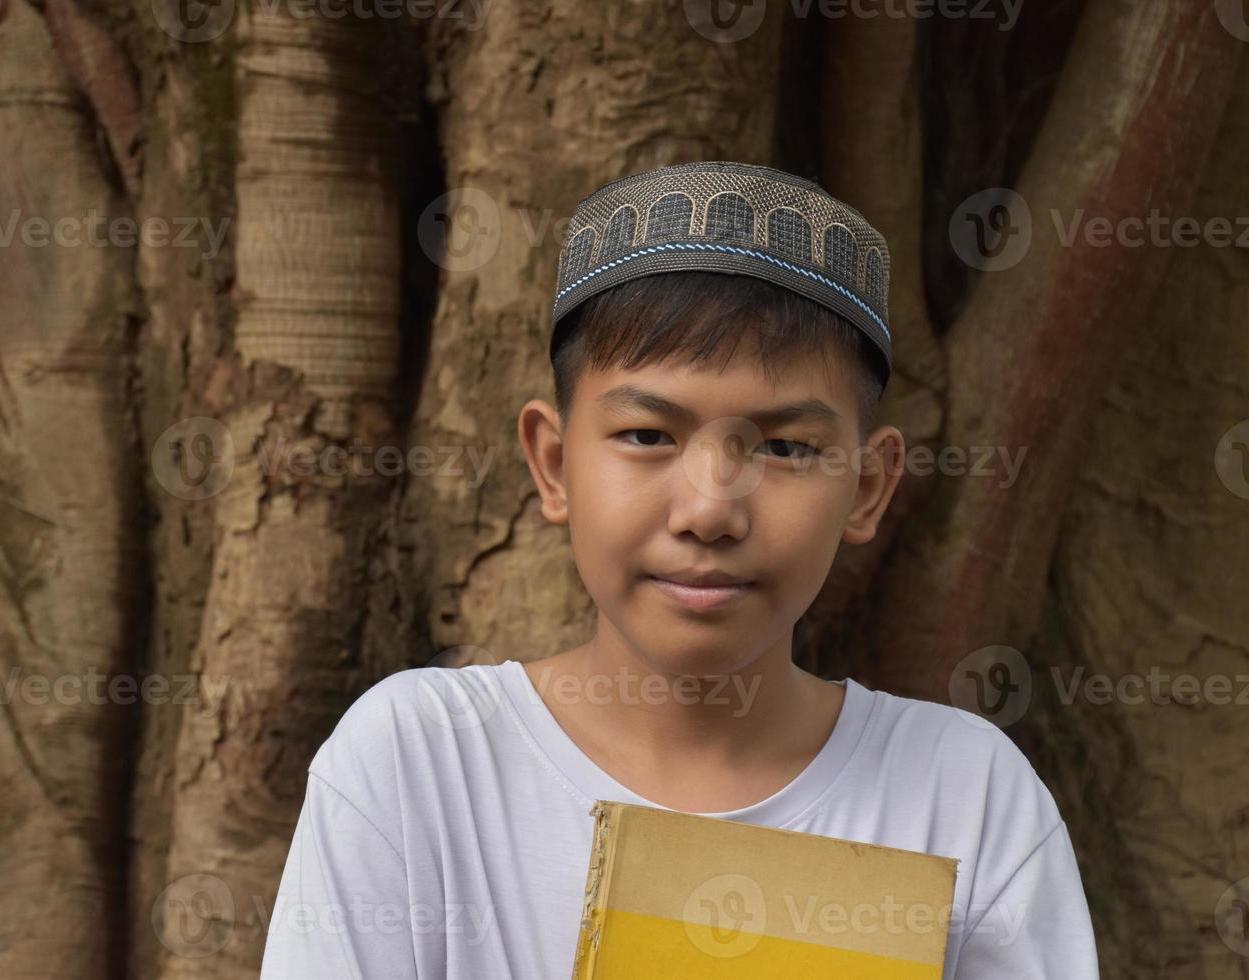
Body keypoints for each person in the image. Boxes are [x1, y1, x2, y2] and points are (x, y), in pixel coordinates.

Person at [258, 161, 1100, 979]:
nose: (708, 510)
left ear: (867, 488)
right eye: (648, 436)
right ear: (553, 465)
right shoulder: (422, 762)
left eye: (784, 447)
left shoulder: (963, 796)